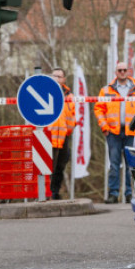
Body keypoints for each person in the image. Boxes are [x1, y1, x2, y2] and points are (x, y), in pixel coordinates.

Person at [94, 62, 135, 204]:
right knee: (114, 164)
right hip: (113, 132)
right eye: (120, 70)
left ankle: (130, 194)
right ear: (116, 72)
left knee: (131, 164)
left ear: (128, 71)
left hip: (131, 132)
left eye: (125, 70)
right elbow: (98, 109)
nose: (123, 72)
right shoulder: (106, 89)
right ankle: (113, 194)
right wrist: (104, 127)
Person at [48, 67, 76, 200]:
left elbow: (72, 116)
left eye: (59, 76)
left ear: (64, 79)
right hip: (49, 135)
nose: (57, 79)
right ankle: (45, 193)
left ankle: (55, 191)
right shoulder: (45, 92)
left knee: (61, 165)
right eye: (54, 76)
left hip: (64, 136)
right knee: (48, 166)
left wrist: (68, 131)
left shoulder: (69, 95)